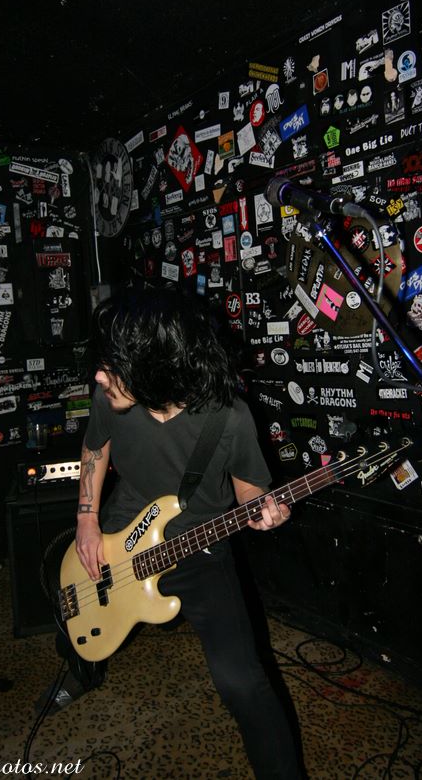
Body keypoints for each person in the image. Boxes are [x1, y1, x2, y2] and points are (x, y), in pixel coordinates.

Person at [72, 286, 303, 779]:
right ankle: (79, 670)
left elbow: (249, 489)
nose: (98, 375)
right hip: (120, 531)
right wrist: (87, 520)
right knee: (76, 611)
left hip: (199, 547)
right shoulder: (110, 395)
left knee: (242, 682)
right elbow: (95, 447)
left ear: (155, 365)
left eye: (112, 365)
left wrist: (263, 510)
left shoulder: (229, 417)